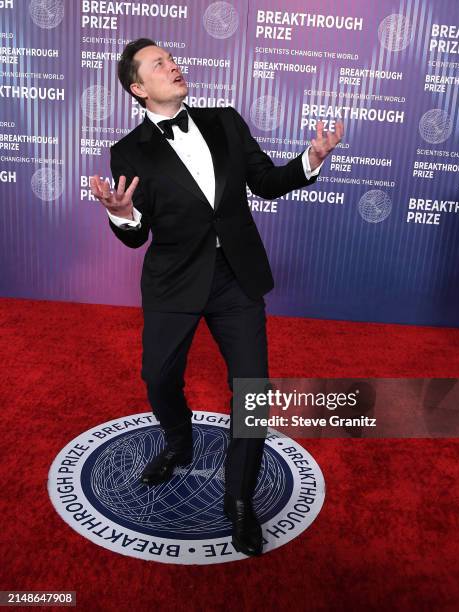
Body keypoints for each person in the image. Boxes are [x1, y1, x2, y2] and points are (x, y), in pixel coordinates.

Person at [89, 38, 343, 557]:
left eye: (171, 58)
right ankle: (178, 443)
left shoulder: (225, 120)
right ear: (138, 88)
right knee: (158, 378)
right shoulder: (127, 151)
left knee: (252, 393)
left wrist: (311, 158)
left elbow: (267, 182)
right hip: (174, 280)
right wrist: (119, 213)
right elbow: (139, 232)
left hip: (236, 278)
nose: (173, 65)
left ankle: (239, 501)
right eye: (159, 64)